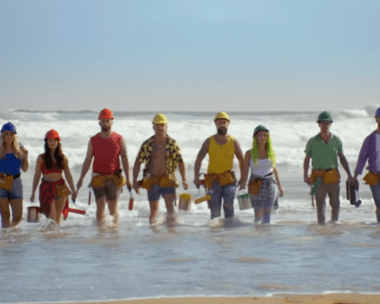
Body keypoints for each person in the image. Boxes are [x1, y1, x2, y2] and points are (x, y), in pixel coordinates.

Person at [77, 108, 132, 225]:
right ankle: (101, 233)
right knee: (100, 205)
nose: (105, 123)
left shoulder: (120, 139)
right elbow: (87, 160)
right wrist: (81, 178)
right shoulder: (93, 140)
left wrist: (128, 178)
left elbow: (125, 159)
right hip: (98, 177)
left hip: (114, 177)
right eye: (103, 121)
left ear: (112, 121)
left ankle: (114, 231)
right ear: (99, 122)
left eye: (107, 120)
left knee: (113, 206)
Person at [133, 113, 188, 224]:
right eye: (157, 125)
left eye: (162, 125)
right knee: (153, 211)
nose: (160, 128)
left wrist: (184, 179)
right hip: (152, 180)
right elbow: (138, 162)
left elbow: (180, 161)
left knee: (170, 210)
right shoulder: (147, 144)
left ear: (166, 127)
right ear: (153, 127)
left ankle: (170, 235)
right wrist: (134, 180)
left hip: (167, 179)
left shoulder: (172, 144)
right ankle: (153, 235)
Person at [303, 111, 352, 225]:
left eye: (327, 123)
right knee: (320, 205)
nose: (325, 126)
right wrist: (305, 175)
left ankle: (334, 224)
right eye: (323, 123)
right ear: (318, 124)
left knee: (335, 203)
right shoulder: (312, 141)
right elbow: (306, 159)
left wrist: (349, 174)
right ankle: (321, 226)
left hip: (333, 176)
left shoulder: (336, 140)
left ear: (330, 124)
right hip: (317, 177)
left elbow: (342, 158)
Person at [193, 112, 244, 221]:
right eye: (219, 122)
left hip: (229, 180)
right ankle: (215, 234)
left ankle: (229, 231)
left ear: (228, 124)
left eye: (224, 122)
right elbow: (199, 159)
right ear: (216, 124)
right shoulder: (209, 141)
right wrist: (196, 177)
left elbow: (241, 160)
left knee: (228, 205)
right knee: (215, 209)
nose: (222, 125)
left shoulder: (233, 142)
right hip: (213, 181)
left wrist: (243, 179)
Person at [30, 130, 77, 224]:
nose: (52, 143)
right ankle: (51, 236)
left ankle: (55, 237)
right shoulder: (41, 158)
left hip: (61, 187)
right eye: (50, 140)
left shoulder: (63, 157)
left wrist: (73, 190)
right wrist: (33, 192)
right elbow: (37, 176)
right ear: (46, 142)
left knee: (58, 217)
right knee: (51, 217)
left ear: (58, 142)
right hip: (46, 187)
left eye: (54, 140)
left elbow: (68, 175)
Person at [240, 125, 284, 224]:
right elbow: (245, 171)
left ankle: (266, 232)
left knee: (267, 211)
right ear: (255, 137)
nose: (262, 137)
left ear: (267, 137)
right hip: (255, 184)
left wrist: (280, 187)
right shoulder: (249, 153)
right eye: (260, 135)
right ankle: (258, 235)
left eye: (265, 135)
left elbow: (275, 170)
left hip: (270, 182)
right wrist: (243, 183)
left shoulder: (271, 152)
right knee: (257, 213)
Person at [353, 107, 380, 223]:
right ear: (376, 120)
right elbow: (362, 158)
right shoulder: (370, 139)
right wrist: (355, 175)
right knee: (379, 202)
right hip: (374, 176)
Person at [0, 122, 29, 228]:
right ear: (2, 135)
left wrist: (25, 157)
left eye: (11, 134)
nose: (8, 137)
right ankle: (7, 240)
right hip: (2, 181)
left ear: (14, 135)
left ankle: (9, 234)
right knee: (5, 216)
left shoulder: (19, 148)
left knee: (18, 217)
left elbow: (25, 169)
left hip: (16, 181)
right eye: (6, 134)